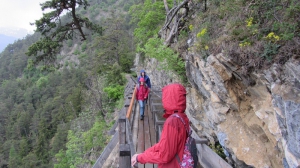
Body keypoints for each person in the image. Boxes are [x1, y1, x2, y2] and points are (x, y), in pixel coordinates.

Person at [131, 83, 189, 167]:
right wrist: (144, 154)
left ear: (170, 98)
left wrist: (140, 158)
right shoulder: (182, 117)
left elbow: (164, 155)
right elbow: (164, 145)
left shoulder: (172, 122)